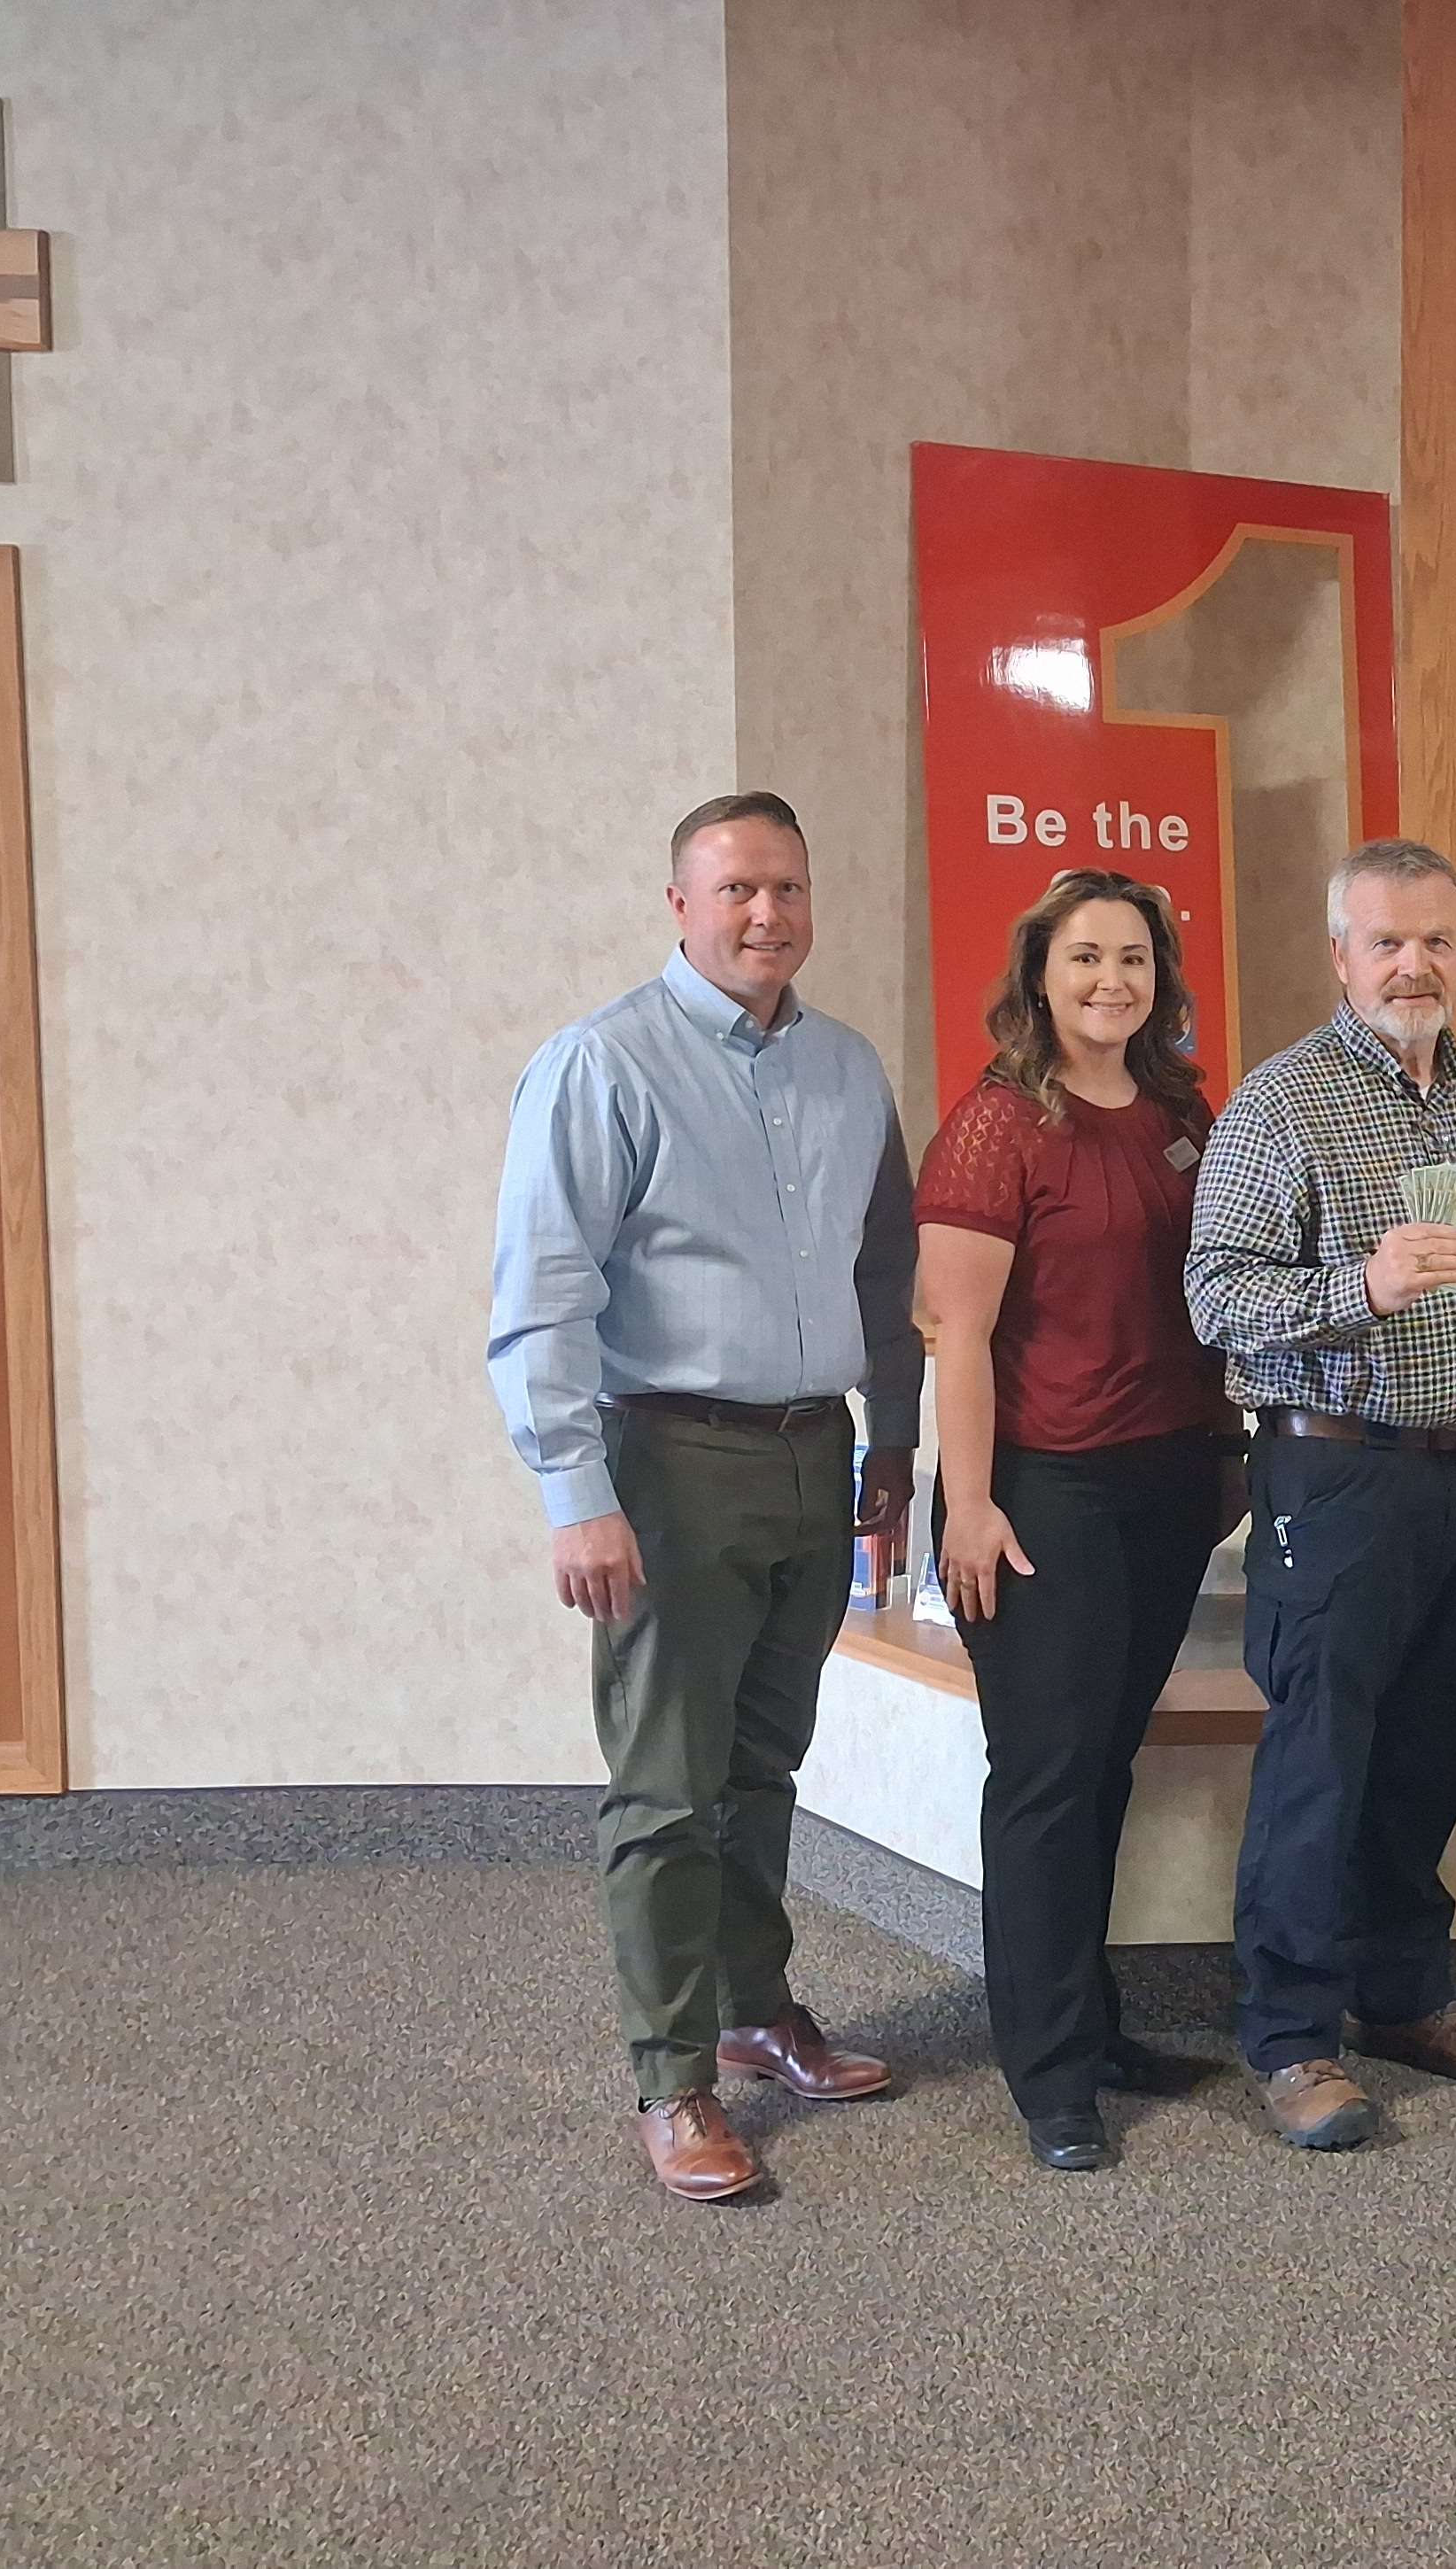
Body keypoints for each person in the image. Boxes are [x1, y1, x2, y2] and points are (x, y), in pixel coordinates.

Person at [488, 792, 920, 2203]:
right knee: (668, 1792)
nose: (766, 915)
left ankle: (754, 2011)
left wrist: (891, 1448)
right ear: (679, 904)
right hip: (666, 1468)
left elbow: (882, 1280)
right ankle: (671, 2079)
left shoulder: (851, 1069)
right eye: (736, 889)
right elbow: (545, 1291)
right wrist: (575, 1491)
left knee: (761, 1771)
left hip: (813, 1458)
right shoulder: (601, 1064)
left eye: (787, 888)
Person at [1184, 837, 1456, 2152]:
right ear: (1341, 954)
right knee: (1319, 1765)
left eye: (1437, 940)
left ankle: (1402, 1996)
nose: (1414, 963)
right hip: (1331, 1474)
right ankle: (1290, 2037)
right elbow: (1214, 1297)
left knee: (1428, 1755)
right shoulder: (1279, 1105)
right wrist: (1361, 1290)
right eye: (1386, 941)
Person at [917, 870, 1243, 2175]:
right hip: (1042, 1491)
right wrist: (973, 1506)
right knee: (1046, 1782)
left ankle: (1092, 2030)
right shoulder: (997, 1127)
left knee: (1104, 1764)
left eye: (1134, 960)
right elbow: (961, 1336)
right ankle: (1048, 2075)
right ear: (1038, 975)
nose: (1112, 981)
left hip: (1165, 1485)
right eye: (1085, 959)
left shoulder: (1176, 1109)